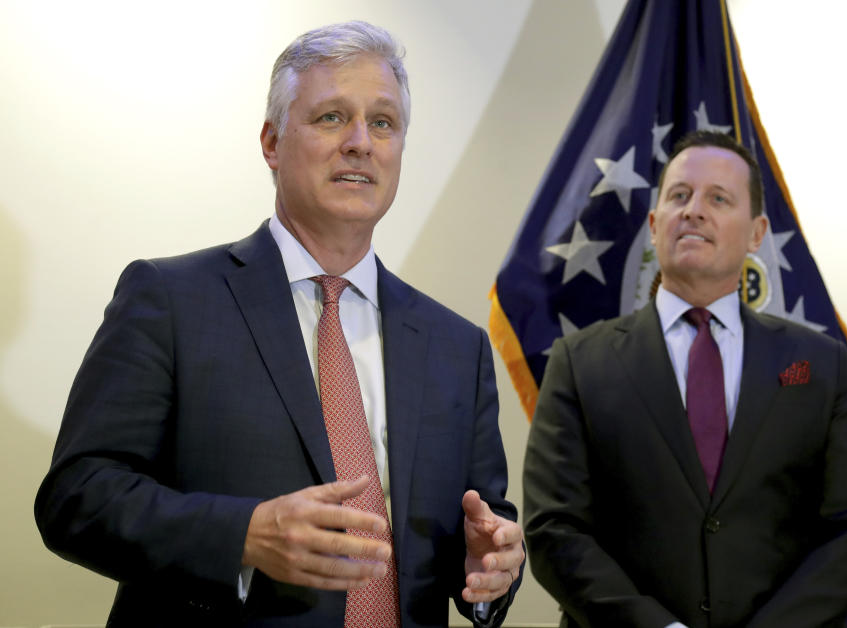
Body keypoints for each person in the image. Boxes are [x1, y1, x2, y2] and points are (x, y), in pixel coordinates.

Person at [35, 21, 523, 627]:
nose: (360, 143)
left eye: (382, 122)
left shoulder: (458, 346)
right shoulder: (169, 299)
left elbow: (487, 524)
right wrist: (244, 535)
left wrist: (491, 569)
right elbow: (76, 498)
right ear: (271, 142)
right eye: (331, 117)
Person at [523, 130, 847, 628]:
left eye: (718, 198)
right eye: (679, 196)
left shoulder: (822, 365)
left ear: (757, 233)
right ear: (654, 224)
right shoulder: (580, 363)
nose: (693, 210)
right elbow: (553, 530)